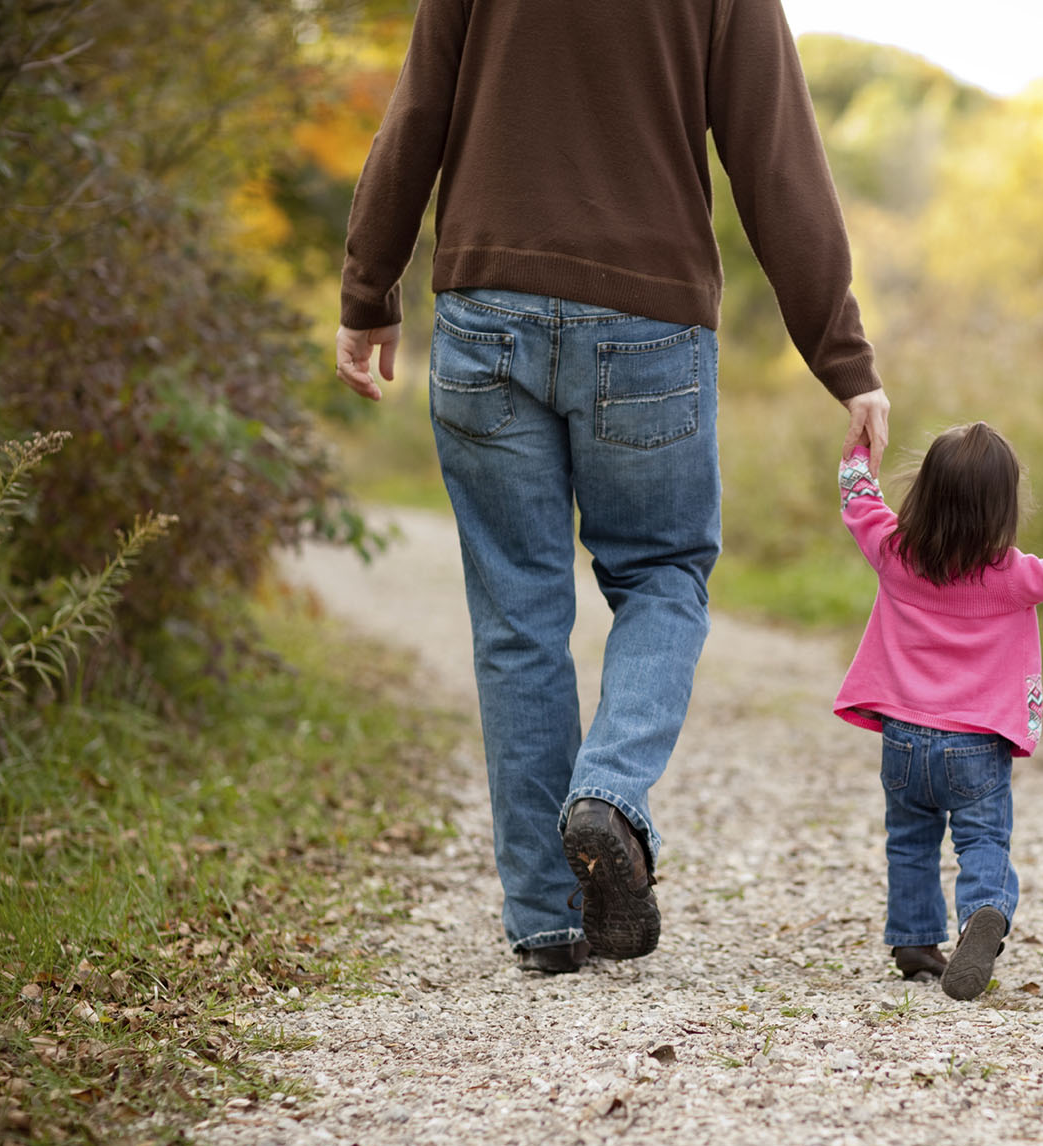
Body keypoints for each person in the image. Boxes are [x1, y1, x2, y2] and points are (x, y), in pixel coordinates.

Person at [333, 0, 890, 974]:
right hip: (650, 322)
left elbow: (417, 108)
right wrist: (841, 356)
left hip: (483, 305)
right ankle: (611, 794)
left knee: (517, 611)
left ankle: (547, 920)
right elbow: (776, 161)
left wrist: (367, 286)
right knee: (665, 573)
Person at [835, 424, 1043, 1000]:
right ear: (1004, 507)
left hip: (904, 739)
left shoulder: (894, 553)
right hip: (977, 743)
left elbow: (858, 499)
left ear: (924, 492)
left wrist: (860, 447)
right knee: (982, 842)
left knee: (910, 839)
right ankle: (982, 913)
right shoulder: (1013, 577)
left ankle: (916, 942)